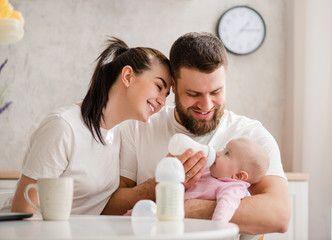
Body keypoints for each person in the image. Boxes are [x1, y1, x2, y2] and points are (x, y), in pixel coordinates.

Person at [102, 32, 291, 235]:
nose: (206, 105)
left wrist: (192, 209)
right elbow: (106, 208)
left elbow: (279, 216)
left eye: (216, 92)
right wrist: (156, 186)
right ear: (173, 86)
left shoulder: (250, 136)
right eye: (193, 94)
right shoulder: (139, 126)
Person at [10, 37, 172, 215]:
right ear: (128, 76)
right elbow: (23, 209)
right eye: (158, 87)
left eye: (167, 95)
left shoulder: (119, 133)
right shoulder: (63, 127)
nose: (162, 102)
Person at [184, 138, 269, 222]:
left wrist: (217, 227)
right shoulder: (208, 173)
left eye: (227, 153)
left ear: (238, 176)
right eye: (223, 150)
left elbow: (226, 207)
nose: (217, 153)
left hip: (199, 231)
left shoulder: (233, 188)